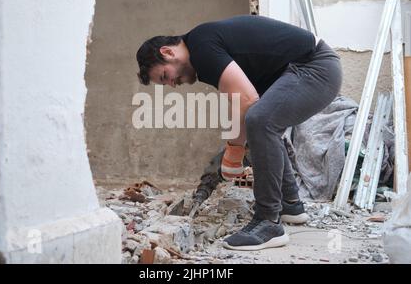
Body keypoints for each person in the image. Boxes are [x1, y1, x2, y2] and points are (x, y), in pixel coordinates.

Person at [136, 15, 342, 251]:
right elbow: (241, 102)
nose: (172, 84)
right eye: (165, 84)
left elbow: (245, 101)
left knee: (260, 121)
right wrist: (237, 143)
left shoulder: (201, 47)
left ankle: (268, 223)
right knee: (261, 123)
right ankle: (290, 205)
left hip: (314, 66)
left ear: (168, 52)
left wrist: (233, 152)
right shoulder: (202, 50)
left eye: (165, 76)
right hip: (302, 68)